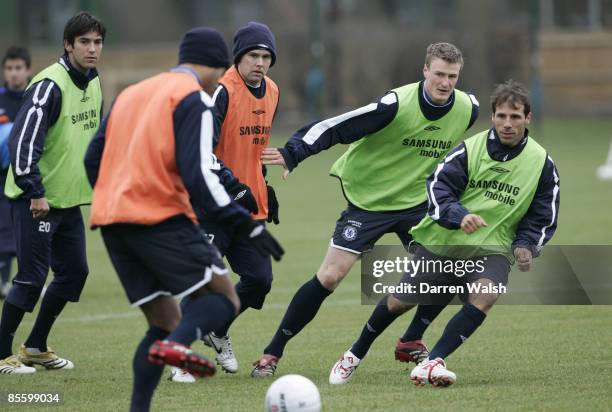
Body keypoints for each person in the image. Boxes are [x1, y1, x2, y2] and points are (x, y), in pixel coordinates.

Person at [84, 27, 283, 410]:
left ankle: (145, 394)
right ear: (217, 65)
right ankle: (177, 349)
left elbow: (94, 156)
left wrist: (110, 197)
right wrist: (242, 220)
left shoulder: (131, 92)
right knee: (223, 298)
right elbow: (199, 173)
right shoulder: (196, 99)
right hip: (162, 217)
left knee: (162, 321)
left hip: (111, 221)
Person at [252, 42, 480, 377]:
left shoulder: (468, 108)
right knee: (330, 276)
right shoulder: (394, 104)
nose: (445, 83)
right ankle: (272, 353)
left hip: (418, 202)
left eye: (453, 77)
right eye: (440, 75)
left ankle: (411, 340)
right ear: (425, 71)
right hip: (370, 199)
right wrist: (294, 151)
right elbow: (339, 126)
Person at [335, 80, 560, 386]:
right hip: (445, 242)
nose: (508, 124)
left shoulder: (541, 164)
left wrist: (525, 245)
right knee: (399, 303)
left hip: (492, 249)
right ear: (493, 116)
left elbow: (543, 214)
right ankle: (354, 354)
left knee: (487, 294)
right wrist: (459, 215)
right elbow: (438, 189)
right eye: (502, 116)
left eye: (515, 117)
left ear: (528, 118)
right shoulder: (470, 150)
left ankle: (433, 361)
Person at [169, 22, 281, 381]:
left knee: (259, 280)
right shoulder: (221, 91)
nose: (260, 63)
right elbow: (203, 150)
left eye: (266, 57)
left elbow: (254, 149)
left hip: (250, 207)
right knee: (205, 281)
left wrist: (264, 186)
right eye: (253, 56)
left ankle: (217, 329)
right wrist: (234, 188)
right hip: (214, 206)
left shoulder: (273, 91)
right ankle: (181, 355)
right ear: (238, 58)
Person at [0, 12, 105, 375]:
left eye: (97, 42)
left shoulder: (94, 82)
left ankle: (35, 347)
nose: (92, 50)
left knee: (74, 273)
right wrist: (35, 191)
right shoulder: (48, 85)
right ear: (68, 44)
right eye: (85, 42)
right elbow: (22, 141)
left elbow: (92, 141)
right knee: (30, 279)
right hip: (37, 201)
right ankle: (0, 354)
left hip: (67, 200)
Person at [0, 46, 32, 299]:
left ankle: (30, 279)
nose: (13, 73)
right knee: (4, 227)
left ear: (28, 70)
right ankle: (4, 281)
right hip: (3, 176)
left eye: (18, 68)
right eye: (9, 68)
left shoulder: (35, 97)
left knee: (30, 228)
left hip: (30, 174)